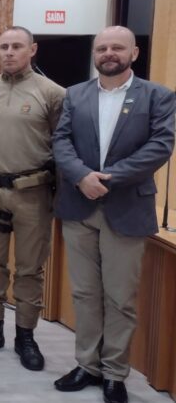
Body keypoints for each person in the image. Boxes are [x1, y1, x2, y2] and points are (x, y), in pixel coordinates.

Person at [52, 26, 175, 403]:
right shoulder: (75, 94)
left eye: (117, 47)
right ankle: (87, 365)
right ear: (95, 53)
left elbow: (161, 144)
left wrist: (108, 178)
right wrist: (81, 176)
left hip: (126, 207)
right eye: (102, 47)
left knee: (120, 297)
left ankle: (114, 373)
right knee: (85, 293)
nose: (109, 53)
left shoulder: (158, 96)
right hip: (79, 206)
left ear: (133, 53)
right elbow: (61, 141)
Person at [0, 26, 64, 371]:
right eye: (3, 46)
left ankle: (26, 336)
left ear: (32, 49)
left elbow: (61, 143)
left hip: (32, 195)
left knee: (29, 269)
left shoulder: (53, 94)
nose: (9, 52)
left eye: (17, 46)